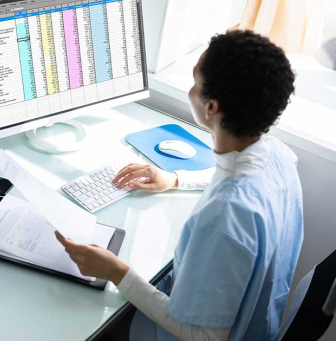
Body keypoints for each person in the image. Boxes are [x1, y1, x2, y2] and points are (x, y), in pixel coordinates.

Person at [56, 30, 303, 341]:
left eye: (195, 81)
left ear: (211, 107)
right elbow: (238, 177)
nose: (190, 89)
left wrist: (117, 273)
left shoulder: (225, 217)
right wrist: (175, 179)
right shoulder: (280, 155)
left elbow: (206, 337)